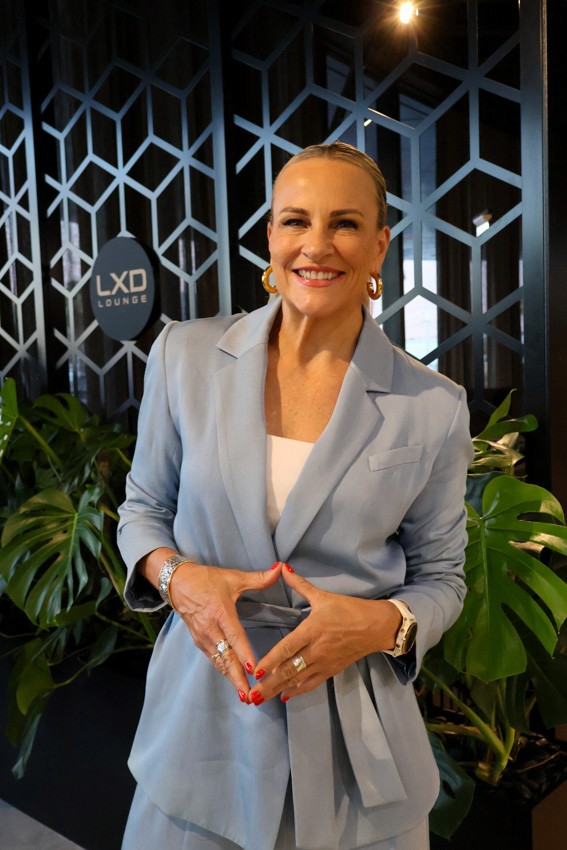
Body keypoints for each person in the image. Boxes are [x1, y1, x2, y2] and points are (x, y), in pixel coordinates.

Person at [117, 141, 473, 850]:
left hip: (355, 754)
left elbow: (442, 579)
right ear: (270, 238)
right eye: (294, 221)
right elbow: (142, 510)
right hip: (201, 728)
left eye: (343, 224)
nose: (316, 245)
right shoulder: (185, 358)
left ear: (378, 248)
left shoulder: (431, 405)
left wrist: (375, 627)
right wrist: (178, 579)